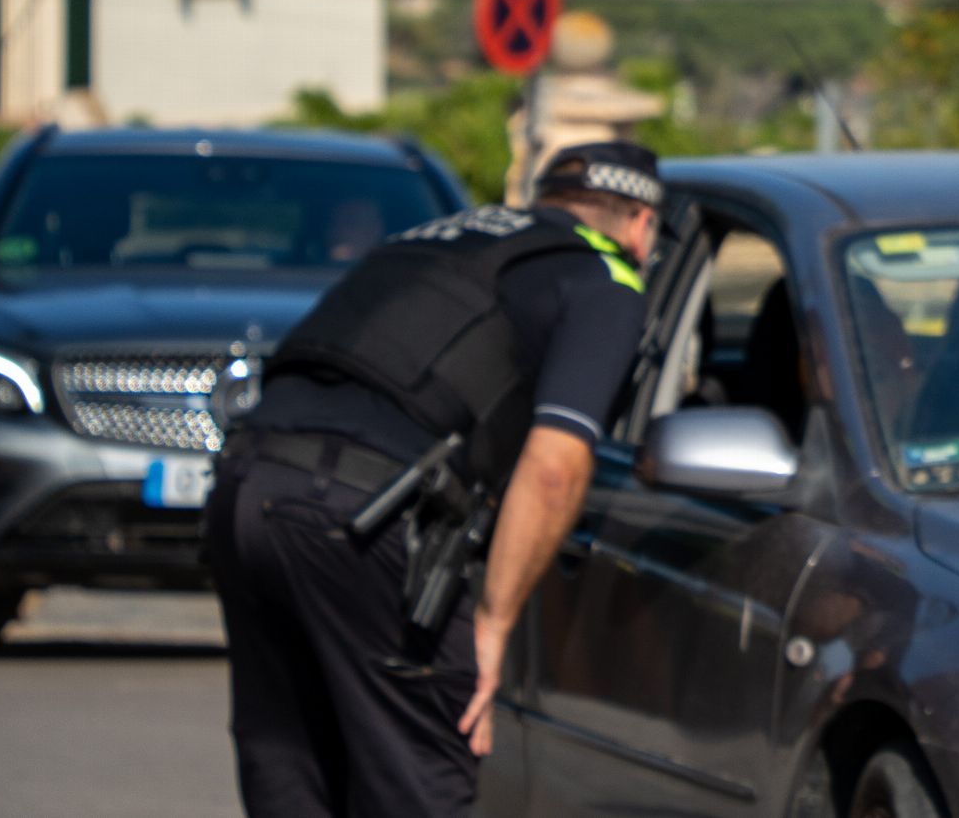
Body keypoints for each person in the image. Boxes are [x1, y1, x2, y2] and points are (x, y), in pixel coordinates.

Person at [204, 140, 666, 817]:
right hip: (357, 516)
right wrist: (494, 624)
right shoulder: (605, 276)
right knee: (419, 778)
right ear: (642, 224)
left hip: (244, 484)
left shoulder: (433, 239)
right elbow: (555, 465)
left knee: (292, 773)